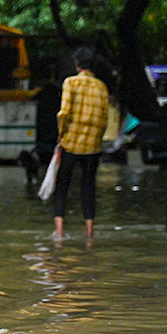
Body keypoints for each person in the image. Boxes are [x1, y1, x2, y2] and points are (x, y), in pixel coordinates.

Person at [53, 46, 110, 242]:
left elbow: (64, 112)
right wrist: (97, 140)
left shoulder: (71, 82)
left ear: (77, 65)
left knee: (62, 185)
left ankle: (59, 233)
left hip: (70, 143)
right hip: (92, 147)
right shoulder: (101, 87)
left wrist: (61, 135)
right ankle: (89, 234)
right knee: (88, 187)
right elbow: (104, 119)